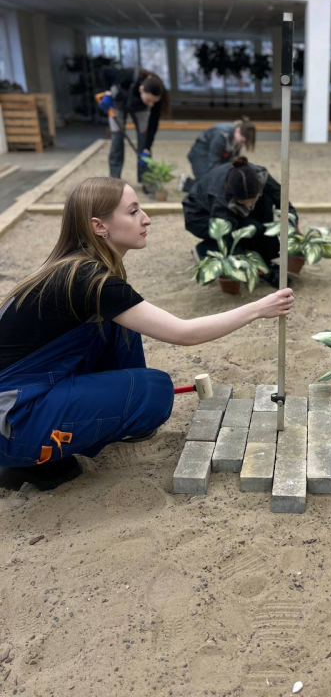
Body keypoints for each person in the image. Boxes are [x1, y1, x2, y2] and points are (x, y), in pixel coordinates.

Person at [0, 177, 293, 491]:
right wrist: (259, 308)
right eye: (133, 211)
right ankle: (29, 460)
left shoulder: (76, 268)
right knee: (154, 392)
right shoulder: (87, 279)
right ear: (99, 226)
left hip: (33, 389)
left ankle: (61, 434)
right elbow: (184, 333)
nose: (146, 219)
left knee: (121, 327)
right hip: (16, 420)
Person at [183, 156, 296, 287]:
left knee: (268, 237)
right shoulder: (221, 198)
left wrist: (292, 227)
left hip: (233, 210)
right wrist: (262, 272)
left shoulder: (261, 176)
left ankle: (261, 255)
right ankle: (204, 249)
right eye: (244, 202)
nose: (249, 204)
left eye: (252, 199)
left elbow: (282, 200)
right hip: (199, 216)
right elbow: (226, 239)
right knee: (244, 232)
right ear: (233, 195)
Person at [98, 67, 168, 183]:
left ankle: (146, 180)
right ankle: (114, 180)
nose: (151, 104)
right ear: (141, 89)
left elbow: (152, 125)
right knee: (117, 140)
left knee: (144, 140)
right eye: (149, 100)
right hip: (118, 104)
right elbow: (104, 72)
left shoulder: (155, 97)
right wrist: (108, 92)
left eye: (154, 102)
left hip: (140, 109)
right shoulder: (129, 75)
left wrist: (146, 149)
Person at [180, 118, 257, 192]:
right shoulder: (221, 135)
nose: (242, 144)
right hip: (201, 154)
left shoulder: (237, 139)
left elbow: (232, 161)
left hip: (221, 155)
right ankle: (186, 184)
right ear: (238, 131)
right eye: (242, 141)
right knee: (207, 182)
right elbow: (213, 162)